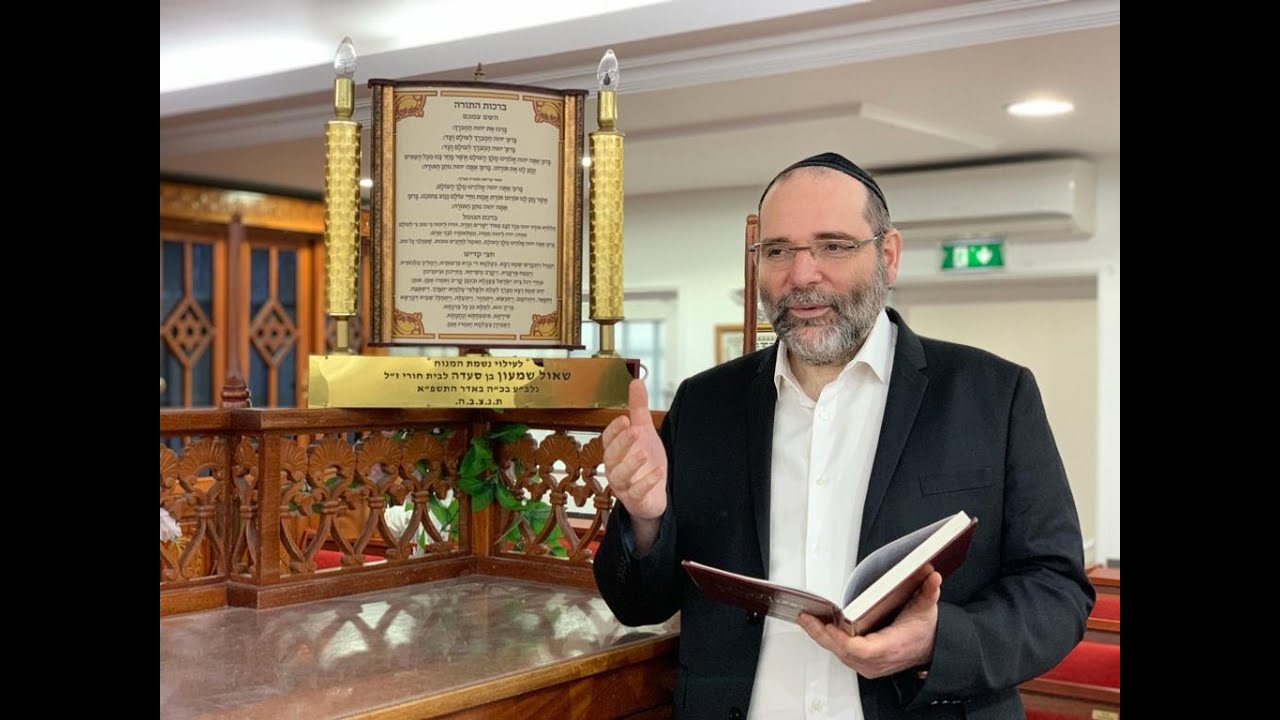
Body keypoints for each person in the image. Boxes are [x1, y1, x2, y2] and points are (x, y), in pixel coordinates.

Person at [593, 152, 1094, 719]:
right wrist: (645, 520)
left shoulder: (993, 396)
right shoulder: (706, 404)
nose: (801, 275)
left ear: (888, 255)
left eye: (832, 246)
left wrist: (937, 642)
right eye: (777, 250)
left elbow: (1057, 592)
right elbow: (639, 605)